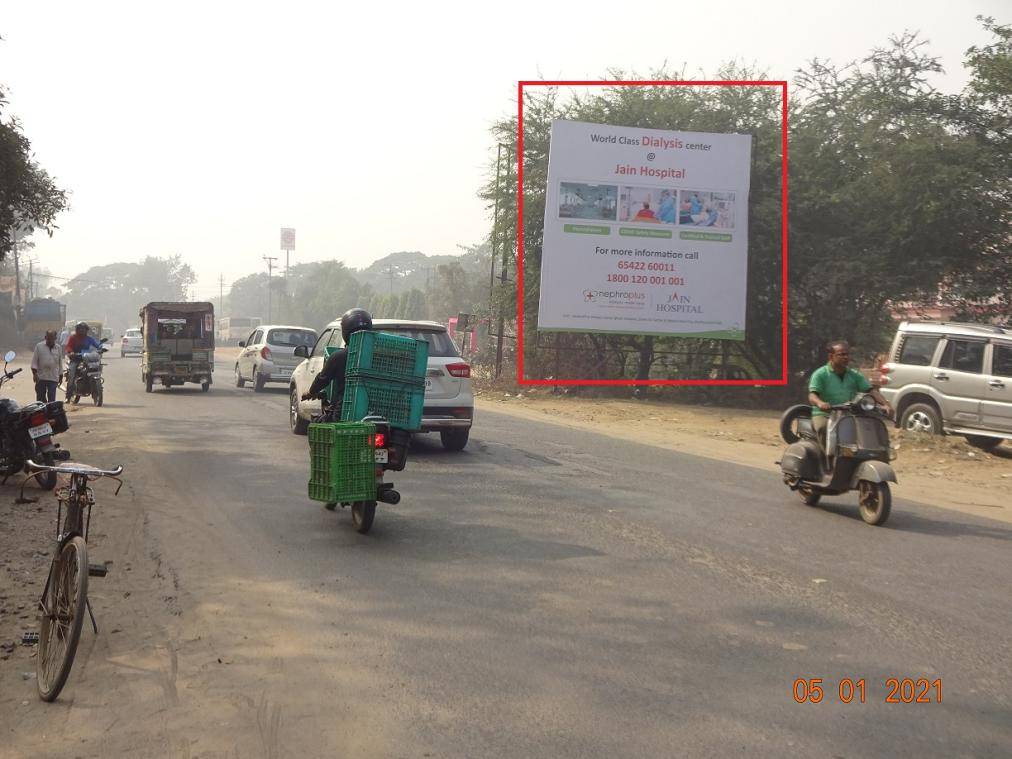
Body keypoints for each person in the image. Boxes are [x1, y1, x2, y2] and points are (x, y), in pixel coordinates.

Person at [808, 340, 893, 445]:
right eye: (841, 355)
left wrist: (885, 404)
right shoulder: (820, 374)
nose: (846, 357)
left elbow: (871, 391)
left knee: (870, 427)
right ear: (831, 357)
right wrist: (820, 403)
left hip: (849, 414)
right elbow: (812, 395)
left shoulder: (854, 375)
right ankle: (824, 459)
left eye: (847, 354)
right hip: (825, 414)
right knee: (823, 428)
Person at [303, 308, 373, 418]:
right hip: (376, 413)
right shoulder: (378, 355)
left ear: (346, 330)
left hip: (344, 412)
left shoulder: (338, 356)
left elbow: (322, 379)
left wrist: (311, 392)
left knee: (317, 424)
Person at [65, 321, 103, 399]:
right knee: (72, 376)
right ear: (77, 330)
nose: (82, 331)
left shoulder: (89, 339)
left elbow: (97, 345)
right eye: (80, 329)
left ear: (86, 330)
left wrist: (101, 348)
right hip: (76, 359)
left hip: (87, 359)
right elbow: (68, 347)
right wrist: (71, 352)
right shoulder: (73, 338)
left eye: (84, 329)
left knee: (97, 368)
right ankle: (68, 396)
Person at [31, 330, 63, 403]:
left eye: (52, 338)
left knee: (52, 398)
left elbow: (60, 363)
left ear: (55, 338)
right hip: (41, 377)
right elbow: (34, 362)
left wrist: (61, 375)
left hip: (53, 377)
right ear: (45, 337)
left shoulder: (58, 348)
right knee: (40, 398)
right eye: (48, 338)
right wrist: (34, 374)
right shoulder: (39, 346)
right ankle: (43, 412)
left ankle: (50, 413)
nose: (50, 340)